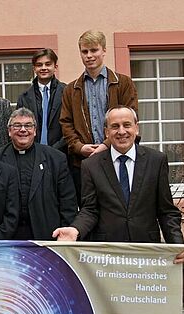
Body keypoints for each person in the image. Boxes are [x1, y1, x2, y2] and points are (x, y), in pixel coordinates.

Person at [52, 106, 184, 264]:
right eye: (115, 126)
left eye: (127, 125)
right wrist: (75, 230)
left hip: (147, 253)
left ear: (136, 128)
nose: (121, 131)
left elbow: (166, 211)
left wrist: (177, 244)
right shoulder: (91, 165)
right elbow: (90, 210)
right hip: (107, 255)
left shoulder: (156, 161)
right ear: (106, 132)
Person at [60, 30, 138, 203]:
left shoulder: (123, 83)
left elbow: (131, 119)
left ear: (104, 50)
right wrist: (79, 147)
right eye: (84, 51)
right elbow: (66, 123)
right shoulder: (71, 89)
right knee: (89, 209)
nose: (89, 56)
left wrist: (105, 145)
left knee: (119, 206)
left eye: (94, 50)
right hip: (83, 163)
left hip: (118, 157)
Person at [0, 108, 77, 240]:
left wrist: (64, 233)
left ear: (35, 130)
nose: (23, 130)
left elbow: (68, 202)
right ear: (9, 131)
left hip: (46, 236)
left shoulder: (56, 159)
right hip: (6, 239)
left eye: (28, 125)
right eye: (17, 125)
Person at [16, 48, 67, 152]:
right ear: (34, 68)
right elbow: (20, 127)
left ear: (55, 67)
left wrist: (54, 149)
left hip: (62, 153)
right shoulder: (24, 97)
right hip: (32, 153)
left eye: (48, 64)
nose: (44, 68)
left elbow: (71, 126)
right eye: (39, 65)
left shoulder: (67, 92)